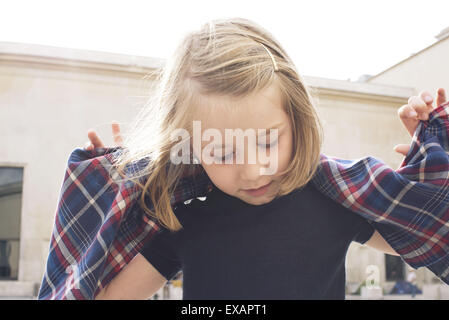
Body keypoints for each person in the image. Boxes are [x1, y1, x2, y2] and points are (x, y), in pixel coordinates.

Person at [38, 18, 449, 300]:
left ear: (297, 121)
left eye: (269, 141)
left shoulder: (336, 201)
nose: (252, 169)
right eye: (221, 150)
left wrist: (428, 159)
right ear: (190, 146)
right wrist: (113, 189)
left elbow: (423, 228)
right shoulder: (186, 216)